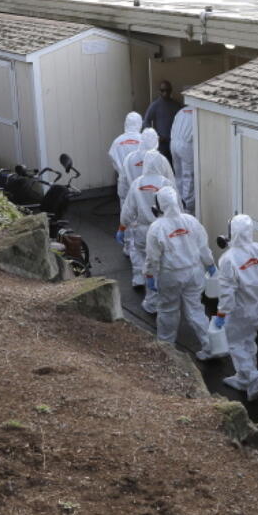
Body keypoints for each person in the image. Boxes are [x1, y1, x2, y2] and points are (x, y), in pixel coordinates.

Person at [212, 214, 258, 402]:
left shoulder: (228, 259)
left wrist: (221, 313)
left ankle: (252, 376)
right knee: (248, 341)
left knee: (234, 342)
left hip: (239, 310)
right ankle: (243, 378)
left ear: (232, 233)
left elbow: (227, 292)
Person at [145, 186, 216, 358]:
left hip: (171, 275)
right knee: (196, 310)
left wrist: (149, 275)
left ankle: (166, 349)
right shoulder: (190, 221)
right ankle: (212, 347)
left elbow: (153, 257)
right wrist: (210, 264)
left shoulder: (157, 227)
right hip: (194, 273)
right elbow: (203, 248)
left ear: (159, 205)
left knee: (168, 310)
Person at [118, 150, 174, 290]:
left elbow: (128, 209)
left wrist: (122, 228)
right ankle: (157, 296)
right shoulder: (166, 183)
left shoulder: (137, 183)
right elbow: (175, 206)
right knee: (160, 260)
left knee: (140, 254)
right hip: (162, 229)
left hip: (142, 229)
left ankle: (139, 279)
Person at [142, 80, 182, 164]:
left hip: (175, 143)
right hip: (162, 144)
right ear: (159, 91)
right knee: (163, 165)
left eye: (167, 90)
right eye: (162, 90)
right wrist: (155, 136)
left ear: (171, 90)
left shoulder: (176, 105)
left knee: (175, 167)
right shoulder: (155, 105)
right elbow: (146, 122)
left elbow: (183, 122)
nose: (165, 92)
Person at [108, 111, 143, 203]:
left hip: (124, 181)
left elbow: (113, 159)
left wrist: (121, 170)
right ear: (139, 123)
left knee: (125, 209)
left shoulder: (117, 141)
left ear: (126, 123)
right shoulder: (144, 140)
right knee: (142, 207)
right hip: (141, 181)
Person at [169, 105, 195, 212]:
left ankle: (177, 203)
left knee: (178, 175)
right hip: (186, 145)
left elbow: (173, 127)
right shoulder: (196, 112)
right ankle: (187, 207)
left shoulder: (181, 111)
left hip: (174, 143)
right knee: (188, 177)